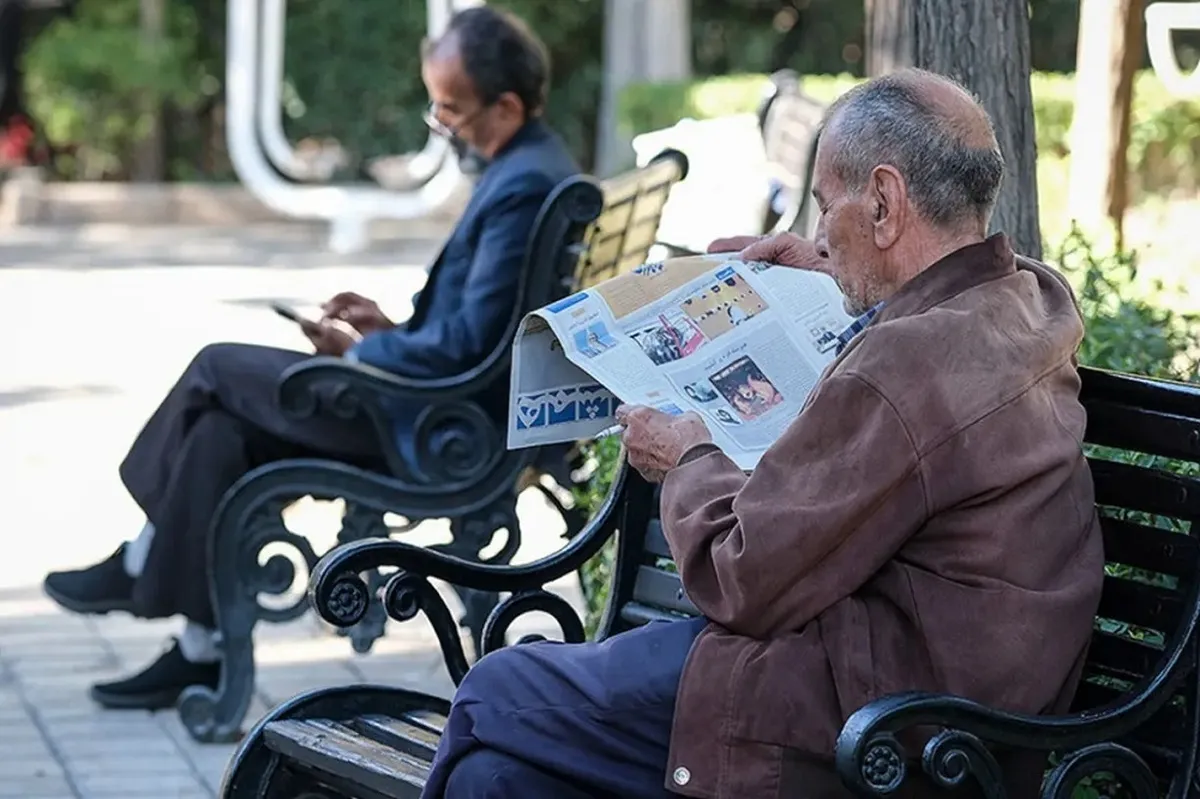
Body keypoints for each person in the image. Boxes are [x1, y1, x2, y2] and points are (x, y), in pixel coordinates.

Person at [419, 68, 1105, 798]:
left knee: (494, 692)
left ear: (884, 202)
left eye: (826, 207)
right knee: (494, 780)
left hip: (873, 724)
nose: (818, 233)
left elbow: (739, 576)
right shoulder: (1026, 299)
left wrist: (686, 459)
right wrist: (835, 269)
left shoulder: (907, 366)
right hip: (938, 699)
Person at [41, 6, 578, 711]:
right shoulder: (531, 166)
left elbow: (464, 348)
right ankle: (199, 654)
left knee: (215, 367)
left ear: (506, 107)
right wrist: (388, 327)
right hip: (441, 410)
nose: (442, 125)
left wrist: (365, 351)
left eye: (450, 109)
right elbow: (476, 330)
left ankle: (139, 562)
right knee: (218, 434)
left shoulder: (523, 184)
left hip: (432, 428)